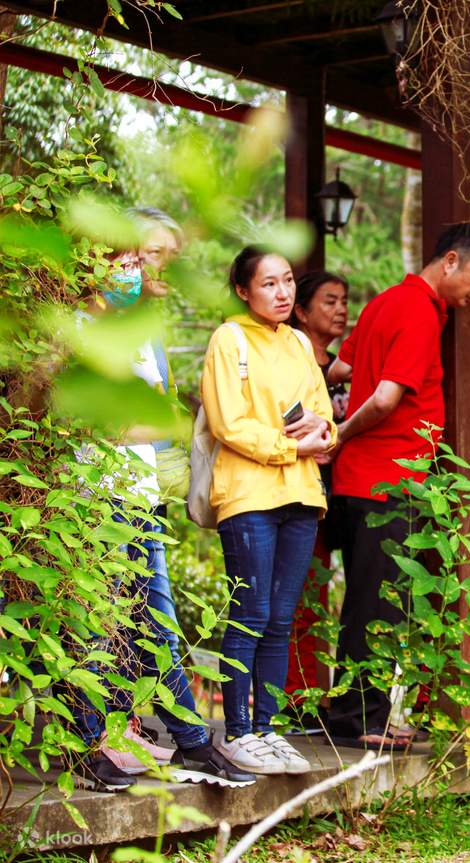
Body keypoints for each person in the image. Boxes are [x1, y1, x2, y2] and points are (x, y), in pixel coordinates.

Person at [68, 209, 255, 793]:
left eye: (141, 260)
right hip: (94, 500)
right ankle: (99, 745)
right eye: (127, 260)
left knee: (149, 626)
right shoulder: (76, 330)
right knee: (101, 628)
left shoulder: (139, 333)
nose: (139, 271)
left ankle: (174, 741)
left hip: (139, 495)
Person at [325, 223, 470, 747]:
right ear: (450, 261)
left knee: (366, 599)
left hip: (362, 479)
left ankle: (355, 713)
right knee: (379, 605)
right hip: (387, 479)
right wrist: (339, 431)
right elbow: (384, 399)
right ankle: (362, 719)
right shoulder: (419, 310)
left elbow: (339, 368)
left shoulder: (384, 301)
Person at [200, 247, 336, 775]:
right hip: (249, 494)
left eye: (288, 282)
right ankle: (237, 731)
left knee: (281, 619)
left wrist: (323, 431)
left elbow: (324, 413)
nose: (283, 293)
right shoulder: (229, 338)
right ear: (243, 290)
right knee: (251, 614)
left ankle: (267, 728)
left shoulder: (299, 342)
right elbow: (227, 423)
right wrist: (291, 446)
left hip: (301, 493)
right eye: (269, 284)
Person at [284, 271, 351, 726]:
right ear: (302, 312)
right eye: (329, 301)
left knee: (328, 598)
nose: (340, 309)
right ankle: (297, 697)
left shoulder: (347, 368)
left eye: (344, 300)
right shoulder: (291, 360)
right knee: (302, 597)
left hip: (345, 494)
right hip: (302, 489)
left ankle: (320, 695)